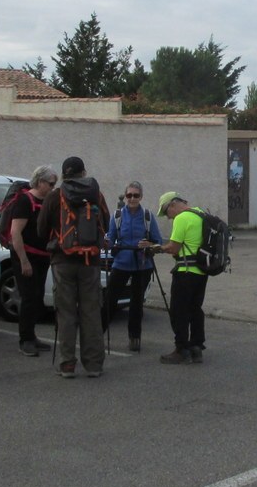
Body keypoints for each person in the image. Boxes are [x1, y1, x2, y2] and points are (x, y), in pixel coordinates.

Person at [37, 156, 110, 379]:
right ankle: (94, 365)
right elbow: (105, 224)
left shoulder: (54, 196)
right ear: (83, 171)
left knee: (66, 314)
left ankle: (67, 364)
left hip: (62, 260)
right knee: (91, 313)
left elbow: (41, 230)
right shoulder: (96, 194)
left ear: (64, 174)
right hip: (90, 262)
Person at [141, 192, 208, 365]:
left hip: (185, 271)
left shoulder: (182, 218)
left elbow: (174, 248)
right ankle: (197, 347)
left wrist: (157, 248)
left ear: (172, 205)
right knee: (195, 309)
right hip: (201, 271)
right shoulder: (200, 213)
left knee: (179, 311)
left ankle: (181, 349)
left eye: (166, 212)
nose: (168, 218)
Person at [106, 181, 163, 352]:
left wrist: (149, 244)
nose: (131, 198)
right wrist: (108, 243)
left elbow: (158, 242)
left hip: (142, 264)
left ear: (141, 197)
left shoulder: (148, 216)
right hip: (121, 262)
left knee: (137, 303)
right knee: (109, 301)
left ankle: (134, 337)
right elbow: (111, 237)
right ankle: (97, 335)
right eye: (129, 195)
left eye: (135, 195)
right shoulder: (117, 215)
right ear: (125, 196)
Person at [9, 165, 58, 357]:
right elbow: (15, 232)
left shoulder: (46, 201)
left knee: (37, 297)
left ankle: (31, 336)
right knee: (29, 297)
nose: (53, 188)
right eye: (51, 184)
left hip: (42, 256)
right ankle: (25, 340)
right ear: (40, 182)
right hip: (26, 256)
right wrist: (23, 261)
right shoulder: (24, 200)